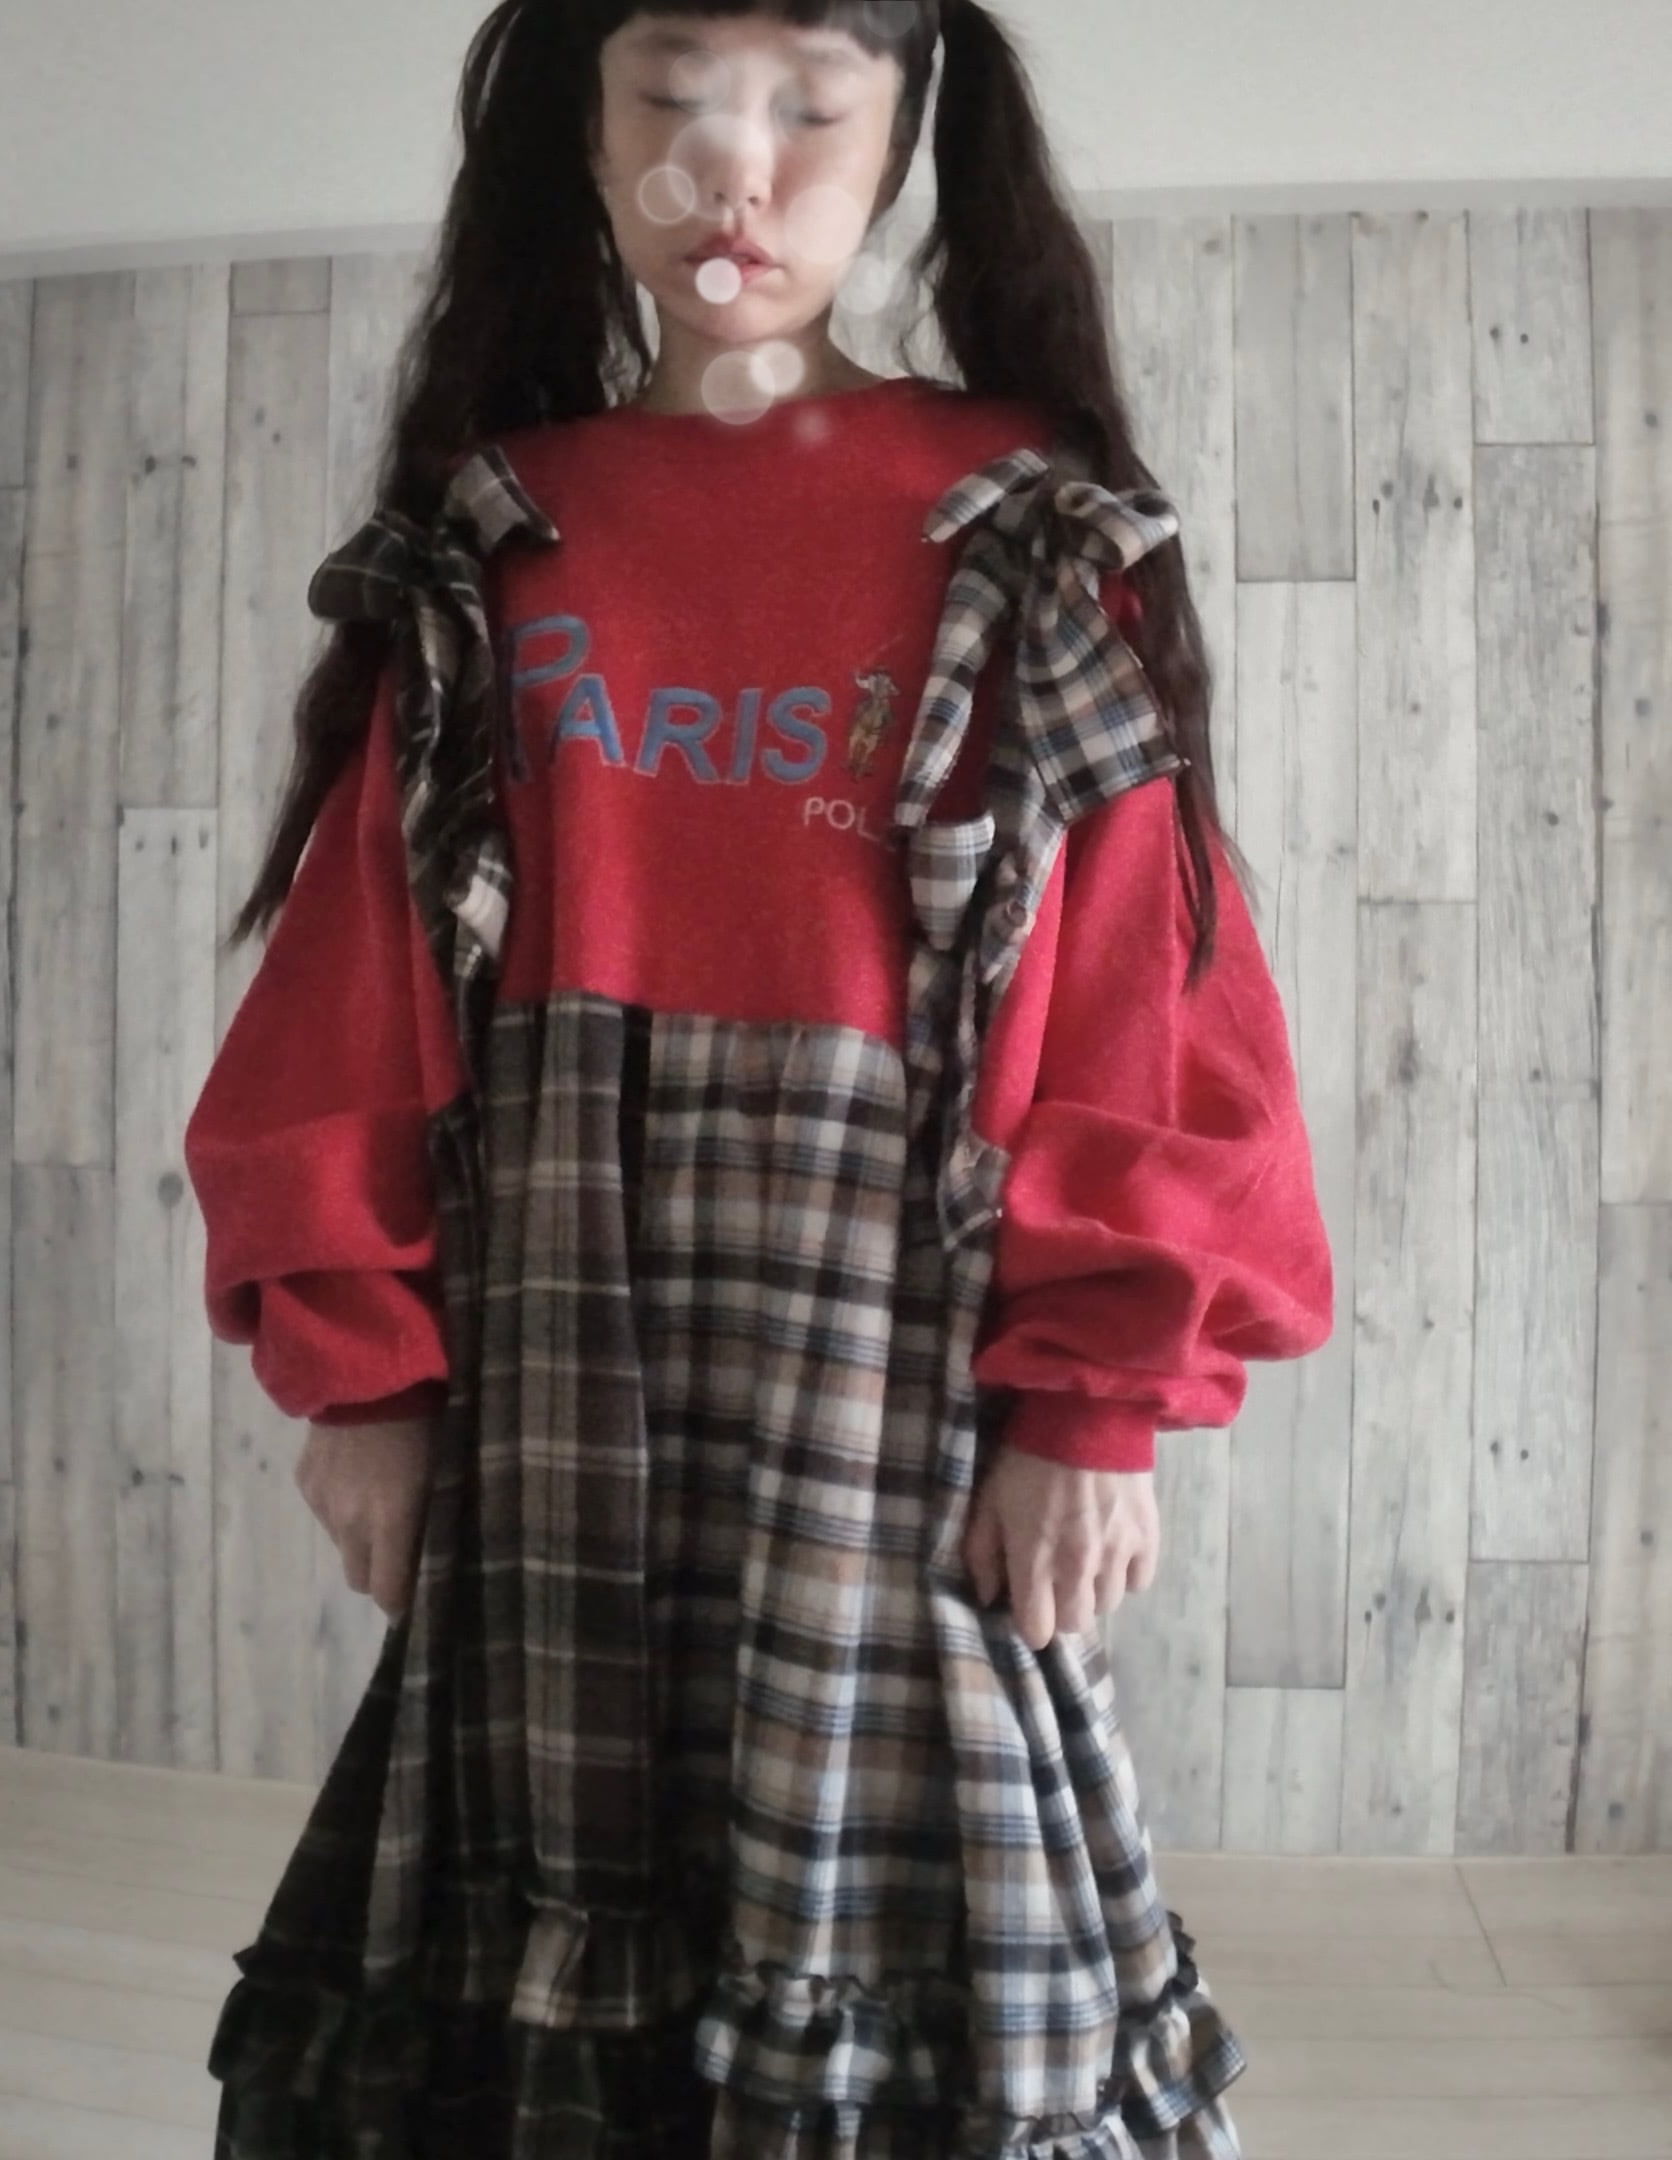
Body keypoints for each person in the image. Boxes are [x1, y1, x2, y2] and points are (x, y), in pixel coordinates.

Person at [182, 3, 1335, 2154]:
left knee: (911, 1880)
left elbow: (1145, 990)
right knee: (554, 1881)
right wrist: (359, 1371)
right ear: (586, 138)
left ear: (904, 144)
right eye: (670, 98)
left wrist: (1096, 1401)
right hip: (557, 1353)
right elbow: (354, 974)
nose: (737, 166)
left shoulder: (1014, 529)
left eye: (811, 108)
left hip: (896, 1349)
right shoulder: (501, 534)